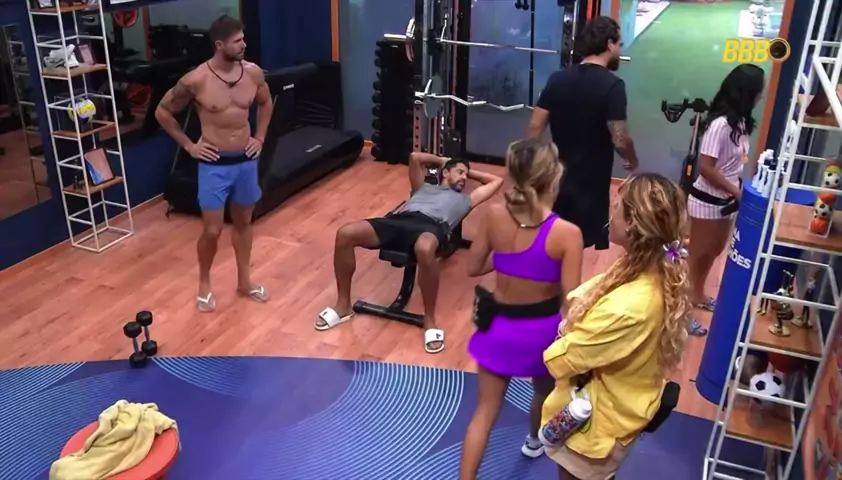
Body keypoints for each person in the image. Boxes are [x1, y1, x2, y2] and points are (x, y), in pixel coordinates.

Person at [542, 173, 692, 480]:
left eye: (617, 205)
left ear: (633, 223)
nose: (611, 209)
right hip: (616, 404)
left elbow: (562, 358)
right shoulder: (643, 267)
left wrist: (562, 332)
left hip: (598, 424)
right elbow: (585, 296)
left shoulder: (632, 305)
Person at [458, 139, 584, 479]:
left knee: (484, 414)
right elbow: (571, 302)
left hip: (498, 329)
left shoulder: (494, 215)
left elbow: (473, 267)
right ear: (553, 177)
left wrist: (508, 260)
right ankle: (533, 440)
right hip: (543, 336)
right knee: (544, 393)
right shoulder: (568, 234)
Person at [314, 152, 503, 353]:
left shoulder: (467, 199)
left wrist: (465, 171)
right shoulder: (422, 187)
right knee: (345, 234)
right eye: (460, 173)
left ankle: (429, 320)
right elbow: (415, 157)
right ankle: (343, 306)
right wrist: (445, 162)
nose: (464, 178)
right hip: (399, 221)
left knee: (424, 248)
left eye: (466, 175)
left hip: (432, 226)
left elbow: (497, 181)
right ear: (445, 173)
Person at [155, 15, 273, 312]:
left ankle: (244, 282)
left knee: (244, 222)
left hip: (245, 162)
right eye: (237, 41)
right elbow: (162, 112)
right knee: (212, 230)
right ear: (219, 45)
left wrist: (260, 136)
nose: (243, 45)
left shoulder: (253, 73)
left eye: (243, 39)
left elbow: (265, 102)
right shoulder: (196, 80)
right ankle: (204, 284)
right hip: (214, 165)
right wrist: (189, 146)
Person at [526, 16, 638, 251]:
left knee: (552, 235)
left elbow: (535, 126)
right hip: (590, 184)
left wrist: (528, 167)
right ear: (609, 44)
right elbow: (619, 138)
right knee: (576, 244)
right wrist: (631, 158)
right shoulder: (613, 86)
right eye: (619, 44)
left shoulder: (557, 79)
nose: (619, 51)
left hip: (555, 177)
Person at [686, 64, 765, 336]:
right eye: (759, 90)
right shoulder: (719, 125)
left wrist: (736, 190)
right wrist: (736, 191)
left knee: (714, 251)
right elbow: (706, 168)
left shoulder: (741, 123)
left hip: (727, 201)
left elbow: (735, 164)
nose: (761, 95)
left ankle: (697, 294)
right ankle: (680, 312)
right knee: (695, 256)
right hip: (707, 201)